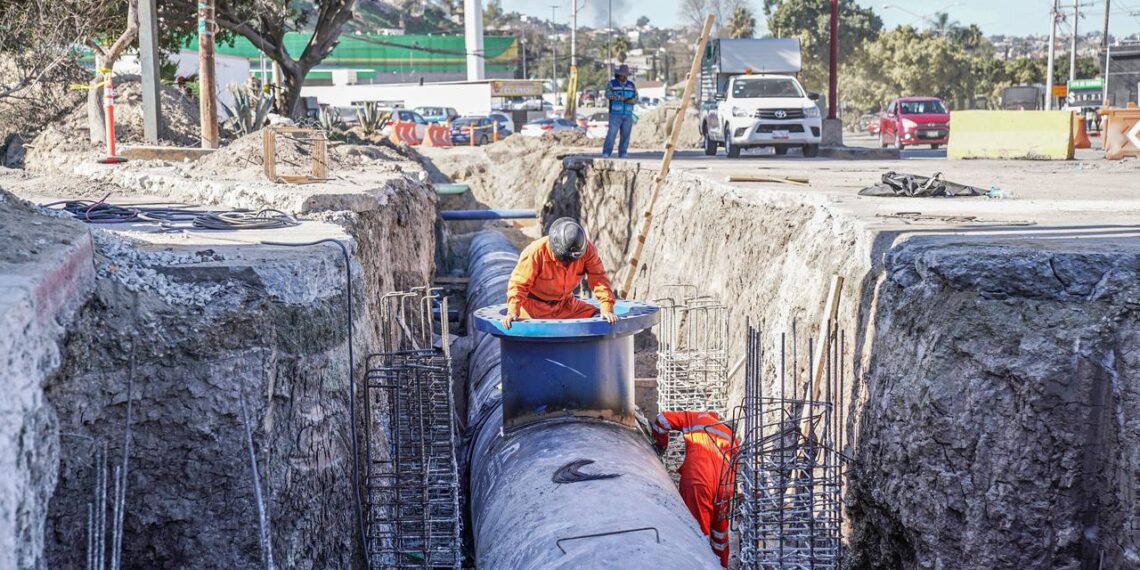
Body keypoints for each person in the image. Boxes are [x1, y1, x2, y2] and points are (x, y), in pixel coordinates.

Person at [653, 410, 738, 568]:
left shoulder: (693, 417)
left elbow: (662, 420)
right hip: (725, 486)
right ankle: (721, 565)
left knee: (696, 531)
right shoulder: (730, 435)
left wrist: (660, 444)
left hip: (698, 479)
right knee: (720, 533)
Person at [500, 218, 618, 329]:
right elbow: (518, 284)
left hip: (566, 305)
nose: (567, 264)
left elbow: (599, 278)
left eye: (572, 261)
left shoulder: (587, 250)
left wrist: (606, 307)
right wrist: (513, 311)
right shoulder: (536, 252)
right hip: (534, 307)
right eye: (563, 259)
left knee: (597, 318)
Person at [603, 64, 638, 159]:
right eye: (621, 74)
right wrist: (620, 98)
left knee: (626, 135)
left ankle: (623, 153)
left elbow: (636, 97)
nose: (623, 76)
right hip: (615, 113)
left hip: (628, 113)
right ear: (618, 75)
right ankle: (606, 152)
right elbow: (607, 94)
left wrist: (632, 101)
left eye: (624, 75)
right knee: (612, 133)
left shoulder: (631, 85)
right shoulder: (612, 84)